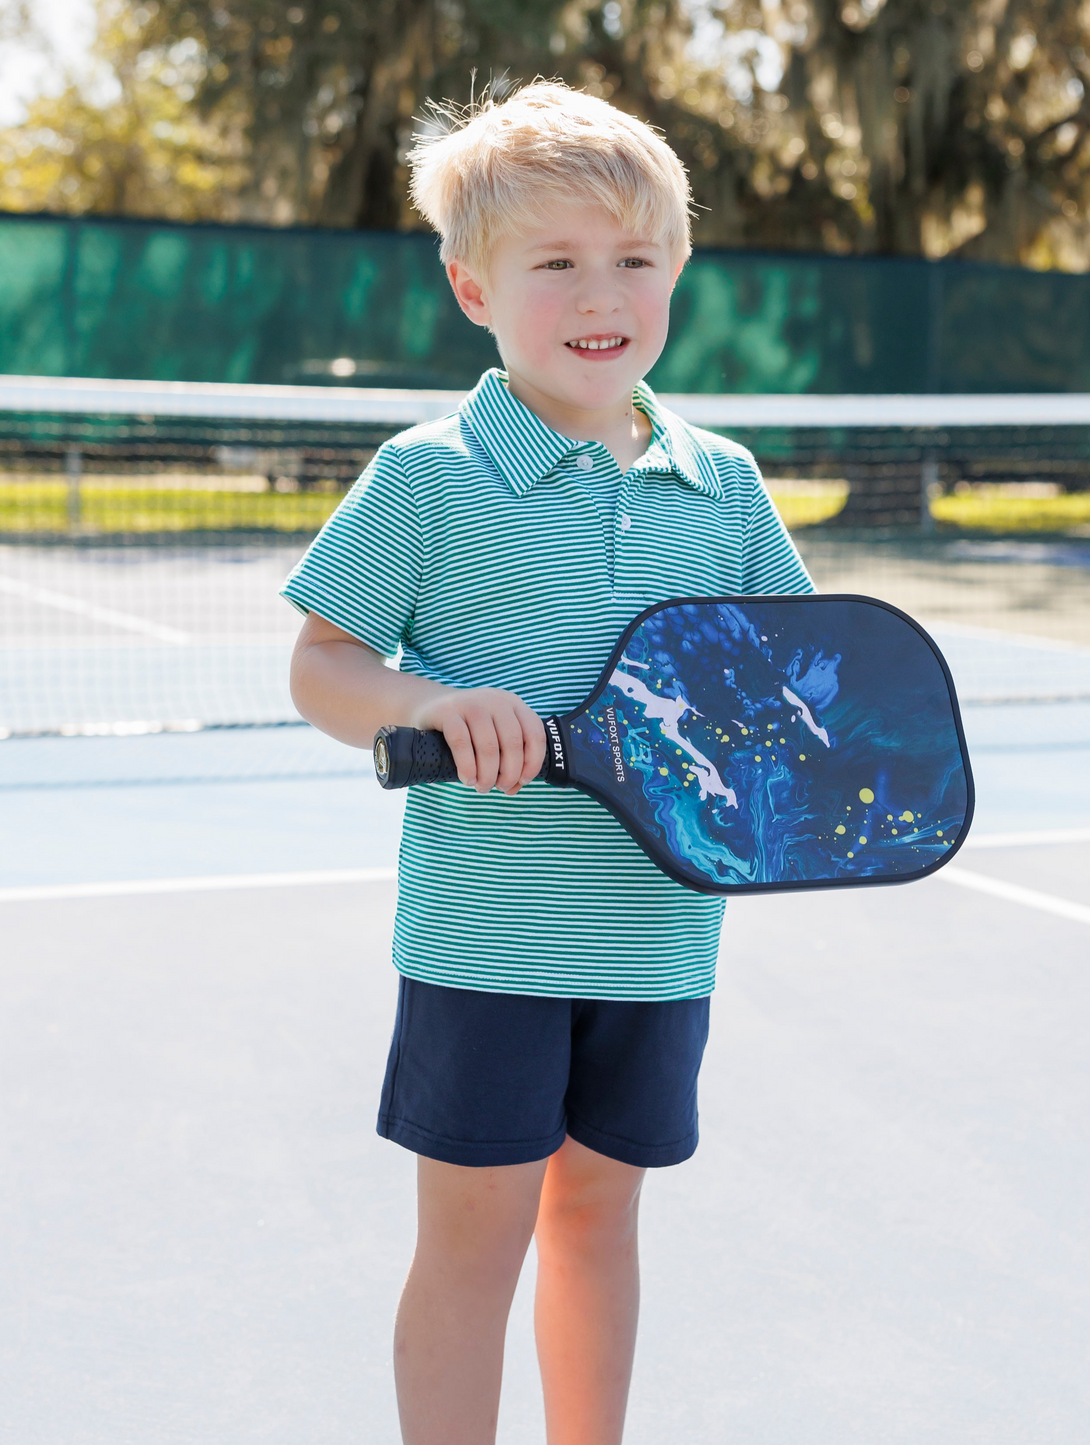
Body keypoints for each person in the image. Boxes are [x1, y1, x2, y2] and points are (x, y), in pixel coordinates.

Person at [283, 80, 813, 1445]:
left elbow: (791, 686)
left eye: (635, 259)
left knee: (599, 1219)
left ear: (676, 274)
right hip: (486, 940)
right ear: (475, 289)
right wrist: (443, 702)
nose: (604, 291)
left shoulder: (728, 485)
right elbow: (322, 667)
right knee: (476, 1242)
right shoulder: (426, 476)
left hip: (657, 943)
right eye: (558, 261)